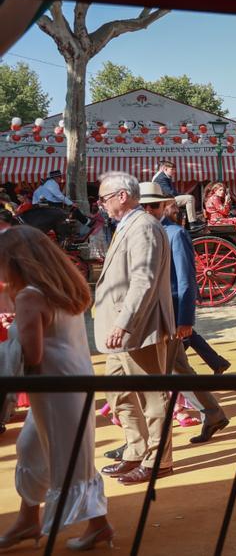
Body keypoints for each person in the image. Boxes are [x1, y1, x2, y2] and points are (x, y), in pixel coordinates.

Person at [0, 226, 114, 550]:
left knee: (69, 460)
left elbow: (31, 354)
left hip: (54, 388)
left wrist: (10, 336)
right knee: (34, 448)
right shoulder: (61, 286)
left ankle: (98, 525)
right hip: (74, 381)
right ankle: (28, 520)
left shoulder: (29, 296)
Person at [92, 171, 180, 486]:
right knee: (118, 392)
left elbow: (142, 281)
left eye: (103, 197)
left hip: (137, 328)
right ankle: (137, 449)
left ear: (122, 196)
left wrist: (124, 322)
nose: (100, 203)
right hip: (122, 329)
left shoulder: (143, 227)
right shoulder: (131, 225)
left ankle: (159, 460)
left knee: (152, 396)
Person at [140, 182, 231, 444]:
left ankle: (141, 438)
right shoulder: (152, 233)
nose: (148, 210)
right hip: (156, 314)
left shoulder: (175, 234)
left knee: (162, 373)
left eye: (153, 205)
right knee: (180, 369)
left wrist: (185, 319)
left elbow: (186, 280)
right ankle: (212, 414)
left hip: (169, 313)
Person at [151, 160, 200, 227]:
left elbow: (172, 192)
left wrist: (182, 194)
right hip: (166, 201)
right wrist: (183, 195)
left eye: (174, 170)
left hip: (167, 199)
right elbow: (170, 193)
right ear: (165, 169)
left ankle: (189, 223)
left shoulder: (165, 177)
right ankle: (192, 223)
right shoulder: (162, 178)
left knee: (188, 198)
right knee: (189, 198)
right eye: (172, 169)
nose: (174, 171)